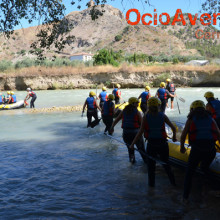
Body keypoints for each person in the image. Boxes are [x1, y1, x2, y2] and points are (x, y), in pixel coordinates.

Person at [129, 97, 177, 187]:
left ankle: (151, 189)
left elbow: (140, 132)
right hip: (163, 144)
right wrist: (174, 138)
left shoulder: (146, 116)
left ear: (148, 106)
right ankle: (173, 185)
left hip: (151, 145)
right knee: (166, 165)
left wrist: (132, 144)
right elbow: (173, 128)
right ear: (159, 105)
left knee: (151, 168)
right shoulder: (163, 115)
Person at [180, 100, 220, 202]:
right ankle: (216, 188)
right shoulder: (211, 119)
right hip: (211, 150)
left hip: (197, 150)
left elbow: (183, 135)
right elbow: (218, 134)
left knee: (189, 173)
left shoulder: (190, 119)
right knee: (204, 167)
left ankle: (185, 198)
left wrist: (182, 147)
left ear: (192, 109)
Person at [110, 97, 147, 164]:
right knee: (141, 150)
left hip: (126, 133)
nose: (138, 104)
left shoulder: (123, 111)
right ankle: (146, 165)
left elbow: (116, 120)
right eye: (137, 103)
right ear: (133, 103)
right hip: (136, 133)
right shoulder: (137, 112)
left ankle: (132, 165)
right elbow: (142, 123)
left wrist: (112, 127)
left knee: (130, 150)